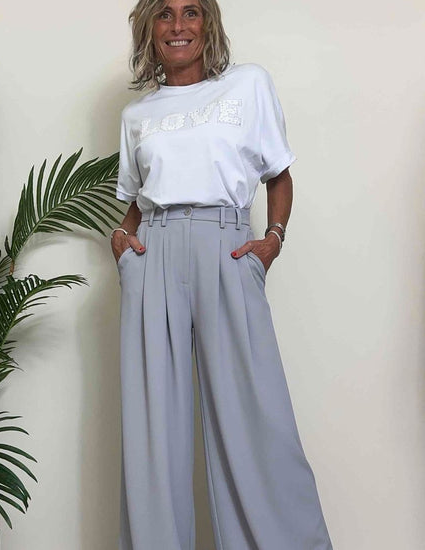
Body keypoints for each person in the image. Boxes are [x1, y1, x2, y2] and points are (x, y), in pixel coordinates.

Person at [110, 1, 334, 549]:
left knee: (254, 416)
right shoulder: (137, 115)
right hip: (154, 255)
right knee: (152, 428)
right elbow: (139, 198)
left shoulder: (248, 84)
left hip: (226, 248)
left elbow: (279, 175)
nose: (178, 26)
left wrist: (272, 241)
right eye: (164, 14)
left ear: (208, 23)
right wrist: (122, 241)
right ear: (149, 29)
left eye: (190, 12)